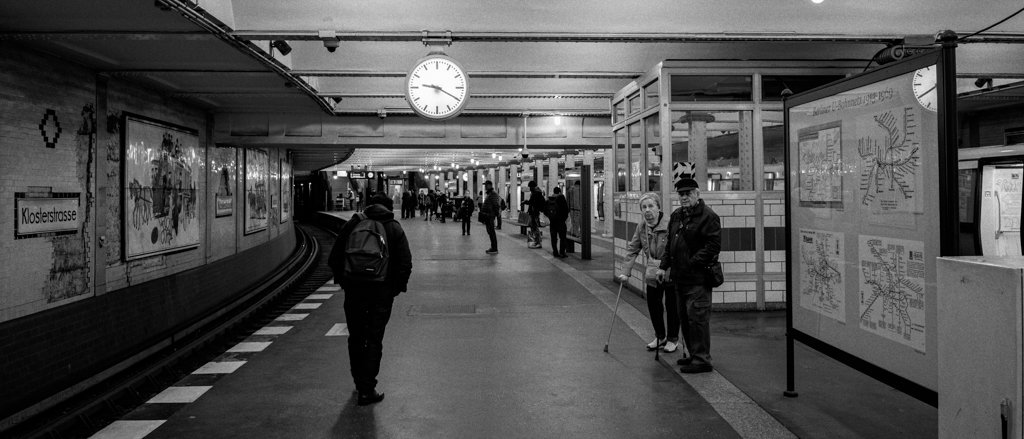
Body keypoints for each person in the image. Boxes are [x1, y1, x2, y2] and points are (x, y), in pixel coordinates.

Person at [327, 193, 413, 405]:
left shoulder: (353, 224)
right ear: (388, 207)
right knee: (374, 338)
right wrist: (394, 289)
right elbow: (405, 263)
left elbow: (334, 258)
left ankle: (359, 382)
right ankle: (368, 388)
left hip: (354, 291)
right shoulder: (394, 228)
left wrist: (346, 283)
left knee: (356, 337)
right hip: (381, 293)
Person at [657, 178, 721, 374]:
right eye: (681, 194)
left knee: (698, 319)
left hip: (698, 279)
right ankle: (693, 355)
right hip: (679, 278)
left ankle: (702, 359)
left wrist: (691, 263)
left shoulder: (708, 216)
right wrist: (663, 266)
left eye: (688, 193)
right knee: (685, 319)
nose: (684, 197)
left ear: (697, 194)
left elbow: (713, 247)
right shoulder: (677, 215)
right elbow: (670, 245)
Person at [616, 192, 683, 354]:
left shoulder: (670, 224)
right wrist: (626, 271)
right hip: (653, 270)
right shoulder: (642, 227)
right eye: (644, 207)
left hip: (670, 270)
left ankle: (673, 339)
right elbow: (633, 249)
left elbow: (677, 248)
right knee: (653, 304)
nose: (647, 210)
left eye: (651, 206)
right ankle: (660, 336)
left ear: (658, 207)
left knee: (672, 305)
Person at [547, 187, 570, 258]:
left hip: (553, 222)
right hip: (561, 222)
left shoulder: (550, 199)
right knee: (562, 237)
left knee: (553, 238)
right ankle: (562, 252)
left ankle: (555, 252)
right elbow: (566, 209)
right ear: (559, 192)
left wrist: (550, 217)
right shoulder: (561, 198)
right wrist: (564, 218)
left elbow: (545, 210)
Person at [481, 181, 502, 254]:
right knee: (490, 232)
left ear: (490, 185)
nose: (485, 187)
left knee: (491, 232)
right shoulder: (490, 194)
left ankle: (494, 248)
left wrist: (496, 214)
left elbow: (496, 205)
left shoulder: (493, 194)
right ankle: (493, 247)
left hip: (490, 215)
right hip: (488, 215)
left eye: (486, 185)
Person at [525, 181, 546, 248]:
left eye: (530, 187)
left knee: (534, 227)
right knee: (533, 227)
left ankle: (538, 242)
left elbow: (532, 203)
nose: (530, 188)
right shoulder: (536, 193)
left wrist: (526, 202)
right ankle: (536, 241)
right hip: (534, 212)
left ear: (532, 187)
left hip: (534, 212)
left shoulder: (536, 193)